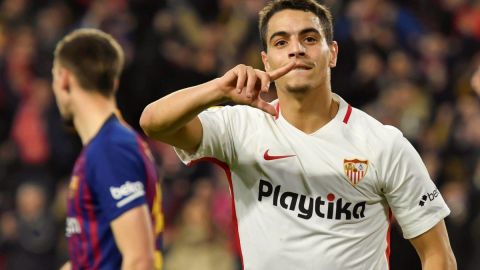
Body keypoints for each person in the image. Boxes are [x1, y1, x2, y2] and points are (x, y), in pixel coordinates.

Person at [140, 0, 456, 269]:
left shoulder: (383, 144)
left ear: (332, 53)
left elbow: (438, 255)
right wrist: (218, 89)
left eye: (308, 39)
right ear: (266, 60)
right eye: (281, 42)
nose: (295, 50)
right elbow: (154, 122)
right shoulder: (241, 127)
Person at [52, 29, 163, 270]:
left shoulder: (111, 149)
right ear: (113, 82)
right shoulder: (106, 146)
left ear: (64, 79)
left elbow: (140, 260)